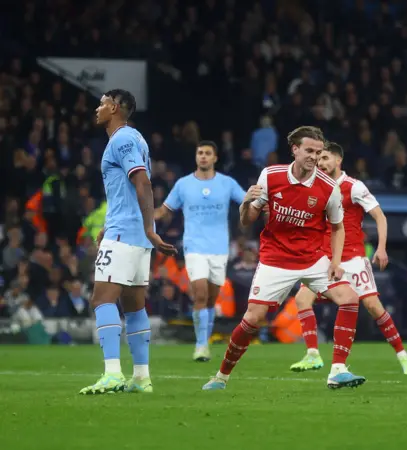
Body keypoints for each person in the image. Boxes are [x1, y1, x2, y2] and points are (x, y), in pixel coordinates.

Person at [202, 126, 365, 391]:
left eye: (318, 152)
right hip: (275, 259)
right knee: (253, 319)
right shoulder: (271, 176)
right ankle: (221, 376)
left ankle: (338, 370)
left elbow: (338, 227)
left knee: (349, 298)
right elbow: (247, 222)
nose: (314, 157)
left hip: (313, 259)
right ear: (295, 150)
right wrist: (245, 203)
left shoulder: (328, 188)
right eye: (309, 151)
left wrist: (335, 262)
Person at [289, 142, 407, 375]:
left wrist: (381, 248)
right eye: (319, 159)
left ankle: (402, 355)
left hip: (353, 258)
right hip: (326, 259)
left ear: (338, 160)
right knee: (301, 299)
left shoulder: (354, 187)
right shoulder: (316, 186)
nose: (321, 163)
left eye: (326, 158)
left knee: (373, 307)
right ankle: (313, 354)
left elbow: (379, 216)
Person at [80, 89, 176, 395]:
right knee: (134, 306)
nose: (97, 109)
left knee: (102, 300)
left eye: (102, 103)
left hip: (128, 233)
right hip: (130, 234)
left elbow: (143, 182)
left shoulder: (121, 139)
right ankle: (141, 377)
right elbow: (126, 189)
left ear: (115, 107)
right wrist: (109, 224)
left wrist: (150, 227)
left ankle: (112, 374)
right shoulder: (136, 139)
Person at [155, 141, 246, 362]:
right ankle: (201, 345)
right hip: (194, 247)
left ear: (215, 158)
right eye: (200, 153)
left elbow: (246, 201)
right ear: (196, 157)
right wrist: (145, 219)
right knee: (200, 293)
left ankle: (204, 339)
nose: (203, 157)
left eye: (207, 153)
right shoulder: (183, 184)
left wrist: (263, 202)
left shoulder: (227, 183)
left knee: (212, 299)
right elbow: (164, 210)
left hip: (219, 248)